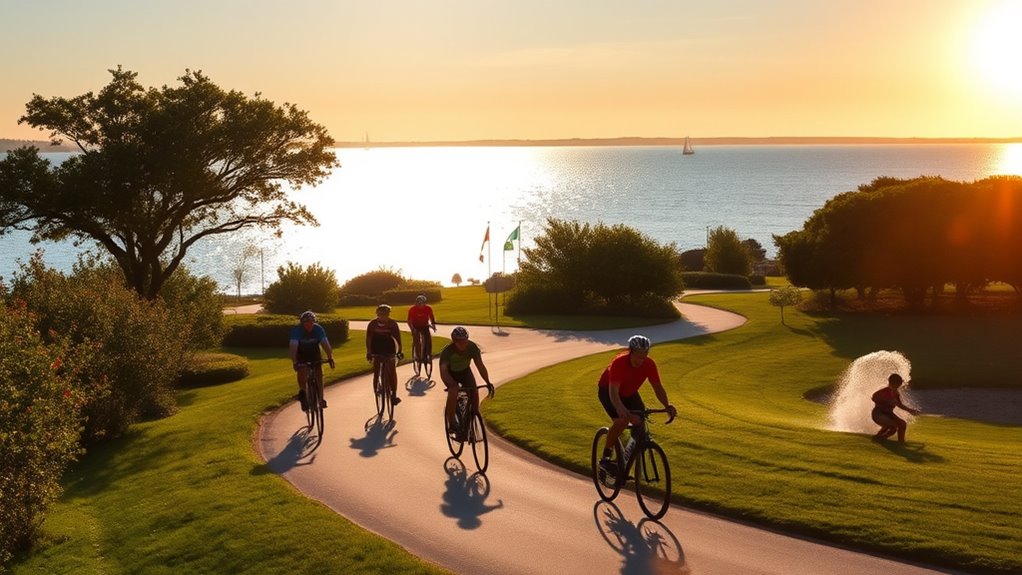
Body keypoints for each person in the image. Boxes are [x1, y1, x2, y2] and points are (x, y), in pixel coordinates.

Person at [597, 335, 677, 479]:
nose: (641, 360)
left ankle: (625, 457)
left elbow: (658, 388)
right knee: (621, 421)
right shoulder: (619, 363)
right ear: (630, 352)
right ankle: (606, 459)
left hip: (630, 393)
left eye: (644, 356)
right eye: (638, 356)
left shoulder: (649, 364)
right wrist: (620, 408)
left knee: (640, 422)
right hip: (608, 391)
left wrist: (667, 405)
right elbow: (613, 392)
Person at [439, 326, 494, 438]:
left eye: (465, 340)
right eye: (460, 341)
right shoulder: (447, 351)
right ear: (454, 341)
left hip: (465, 372)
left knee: (474, 394)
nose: (463, 343)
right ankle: (452, 423)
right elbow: (443, 371)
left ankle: (468, 425)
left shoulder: (472, 347)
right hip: (450, 373)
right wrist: (451, 385)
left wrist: (488, 382)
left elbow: (480, 366)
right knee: (453, 390)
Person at [288, 310, 335, 412]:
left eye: (311, 322)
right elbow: (293, 348)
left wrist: (330, 357)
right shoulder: (297, 331)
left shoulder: (318, 329)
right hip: (301, 353)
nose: (309, 324)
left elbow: (326, 345)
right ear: (302, 323)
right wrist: (295, 362)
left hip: (314, 352)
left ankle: (321, 399)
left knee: (319, 373)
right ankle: (303, 393)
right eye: (306, 322)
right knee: (302, 372)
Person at [366, 303, 403, 405]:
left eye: (385, 315)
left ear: (388, 315)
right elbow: (369, 338)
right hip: (376, 346)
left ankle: (394, 394)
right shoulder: (372, 324)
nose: (383, 317)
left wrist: (399, 351)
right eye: (380, 314)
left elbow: (398, 339)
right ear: (377, 314)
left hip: (389, 346)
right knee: (376, 369)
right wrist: (369, 351)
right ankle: (377, 387)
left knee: (392, 370)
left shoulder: (392, 324)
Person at [871, 373, 920, 442]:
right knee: (892, 427)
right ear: (894, 383)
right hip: (878, 414)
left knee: (902, 424)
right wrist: (910, 410)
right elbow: (897, 404)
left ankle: (901, 442)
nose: (900, 385)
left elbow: (900, 404)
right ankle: (879, 438)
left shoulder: (895, 392)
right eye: (899, 383)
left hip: (889, 414)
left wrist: (911, 410)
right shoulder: (886, 391)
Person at [406, 294, 437, 364]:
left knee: (428, 339)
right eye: (418, 303)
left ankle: (427, 355)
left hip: (425, 325)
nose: (419, 305)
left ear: (424, 303)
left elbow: (431, 317)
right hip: (416, 326)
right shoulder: (412, 309)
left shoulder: (428, 308)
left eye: (421, 303)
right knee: (417, 339)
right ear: (416, 303)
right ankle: (418, 356)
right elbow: (409, 320)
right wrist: (412, 329)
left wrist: (433, 325)